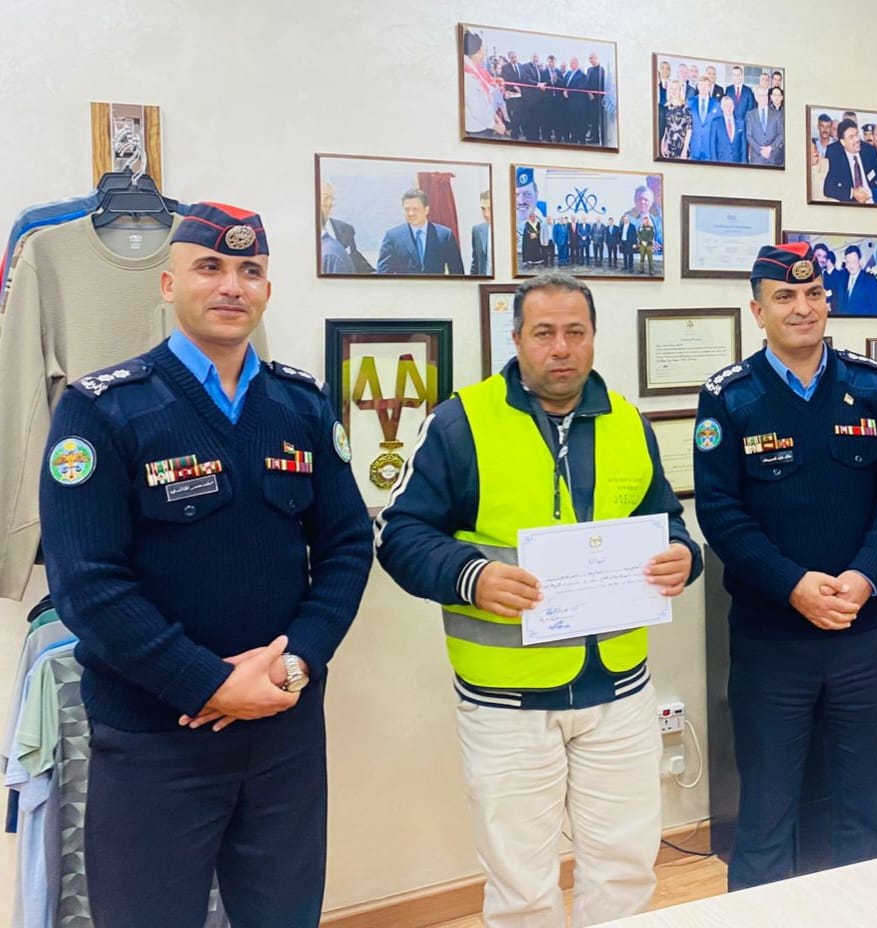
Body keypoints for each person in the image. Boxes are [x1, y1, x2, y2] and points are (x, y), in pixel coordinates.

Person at [36, 202, 373, 927]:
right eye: (210, 267)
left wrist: (296, 664)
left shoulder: (301, 405)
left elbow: (348, 546)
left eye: (249, 271)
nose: (230, 286)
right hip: (156, 738)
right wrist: (211, 683)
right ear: (168, 284)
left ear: (267, 290)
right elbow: (87, 585)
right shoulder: (104, 410)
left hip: (284, 731)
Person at [374, 272, 701, 928]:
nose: (561, 348)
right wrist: (470, 577)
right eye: (544, 333)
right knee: (521, 888)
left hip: (619, 693)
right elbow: (397, 533)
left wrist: (683, 555)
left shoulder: (627, 422)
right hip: (508, 702)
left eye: (575, 332)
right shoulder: (461, 422)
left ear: (593, 337)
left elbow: (666, 520)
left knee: (627, 868)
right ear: (517, 338)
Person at [693, 242, 877, 891]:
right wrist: (792, 586)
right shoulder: (729, 398)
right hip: (772, 646)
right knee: (765, 819)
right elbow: (721, 513)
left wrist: (865, 576)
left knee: (866, 815)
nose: (803, 307)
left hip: (863, 636)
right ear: (757, 311)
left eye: (813, 293)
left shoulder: (869, 385)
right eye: (785, 296)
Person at [377, 188, 465, 275]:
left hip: (435, 284)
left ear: (426, 210)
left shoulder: (444, 235)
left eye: (415, 209)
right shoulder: (393, 237)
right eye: (407, 209)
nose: (411, 213)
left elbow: (457, 272)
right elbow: (383, 273)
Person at [319, 181, 374, 273]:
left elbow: (357, 263)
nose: (330, 203)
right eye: (326, 197)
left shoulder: (345, 229)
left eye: (332, 198)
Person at [462, 28, 507, 138]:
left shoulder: (475, 69)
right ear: (476, 52)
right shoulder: (468, 75)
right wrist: (495, 126)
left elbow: (486, 101)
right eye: (483, 49)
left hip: (485, 124)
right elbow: (477, 109)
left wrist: (496, 118)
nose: (484, 53)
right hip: (479, 129)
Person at [823, 119, 873, 203]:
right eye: (851, 137)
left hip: (871, 199)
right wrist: (853, 193)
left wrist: (871, 193)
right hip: (850, 202)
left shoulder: (869, 151)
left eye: (857, 134)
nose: (857, 139)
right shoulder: (835, 155)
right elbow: (828, 188)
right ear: (843, 142)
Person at [838, 244, 877, 316]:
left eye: (854, 261)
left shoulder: (871, 281)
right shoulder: (843, 279)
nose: (851, 265)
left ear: (860, 261)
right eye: (848, 262)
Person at [745, 85, 783, 165]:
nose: (764, 98)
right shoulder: (750, 115)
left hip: (773, 158)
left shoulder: (777, 114)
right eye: (761, 95)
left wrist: (770, 148)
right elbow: (749, 136)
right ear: (756, 97)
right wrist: (760, 150)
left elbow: (781, 134)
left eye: (765, 95)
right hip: (757, 158)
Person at [688, 76, 722, 161]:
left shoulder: (716, 104)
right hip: (694, 146)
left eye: (706, 85)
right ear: (698, 87)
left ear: (710, 87)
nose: (703, 88)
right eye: (701, 85)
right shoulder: (689, 102)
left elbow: (719, 127)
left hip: (709, 147)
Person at [661, 78, 693, 159]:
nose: (674, 91)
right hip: (668, 147)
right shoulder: (665, 108)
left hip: (682, 148)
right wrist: (663, 144)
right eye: (672, 88)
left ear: (680, 91)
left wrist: (685, 150)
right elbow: (665, 129)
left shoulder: (686, 109)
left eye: (676, 89)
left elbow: (689, 130)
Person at [713, 94, 747, 164]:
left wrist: (744, 163)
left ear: (733, 106)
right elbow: (713, 145)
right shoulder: (715, 123)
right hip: (721, 162)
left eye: (730, 105)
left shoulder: (740, 123)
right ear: (722, 107)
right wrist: (714, 164)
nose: (729, 108)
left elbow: (743, 146)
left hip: (737, 162)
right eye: (726, 106)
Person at [471, 190, 492, 276]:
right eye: (483, 209)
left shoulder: (512, 231)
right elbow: (475, 264)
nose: (486, 214)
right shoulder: (477, 231)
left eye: (490, 209)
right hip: (484, 282)